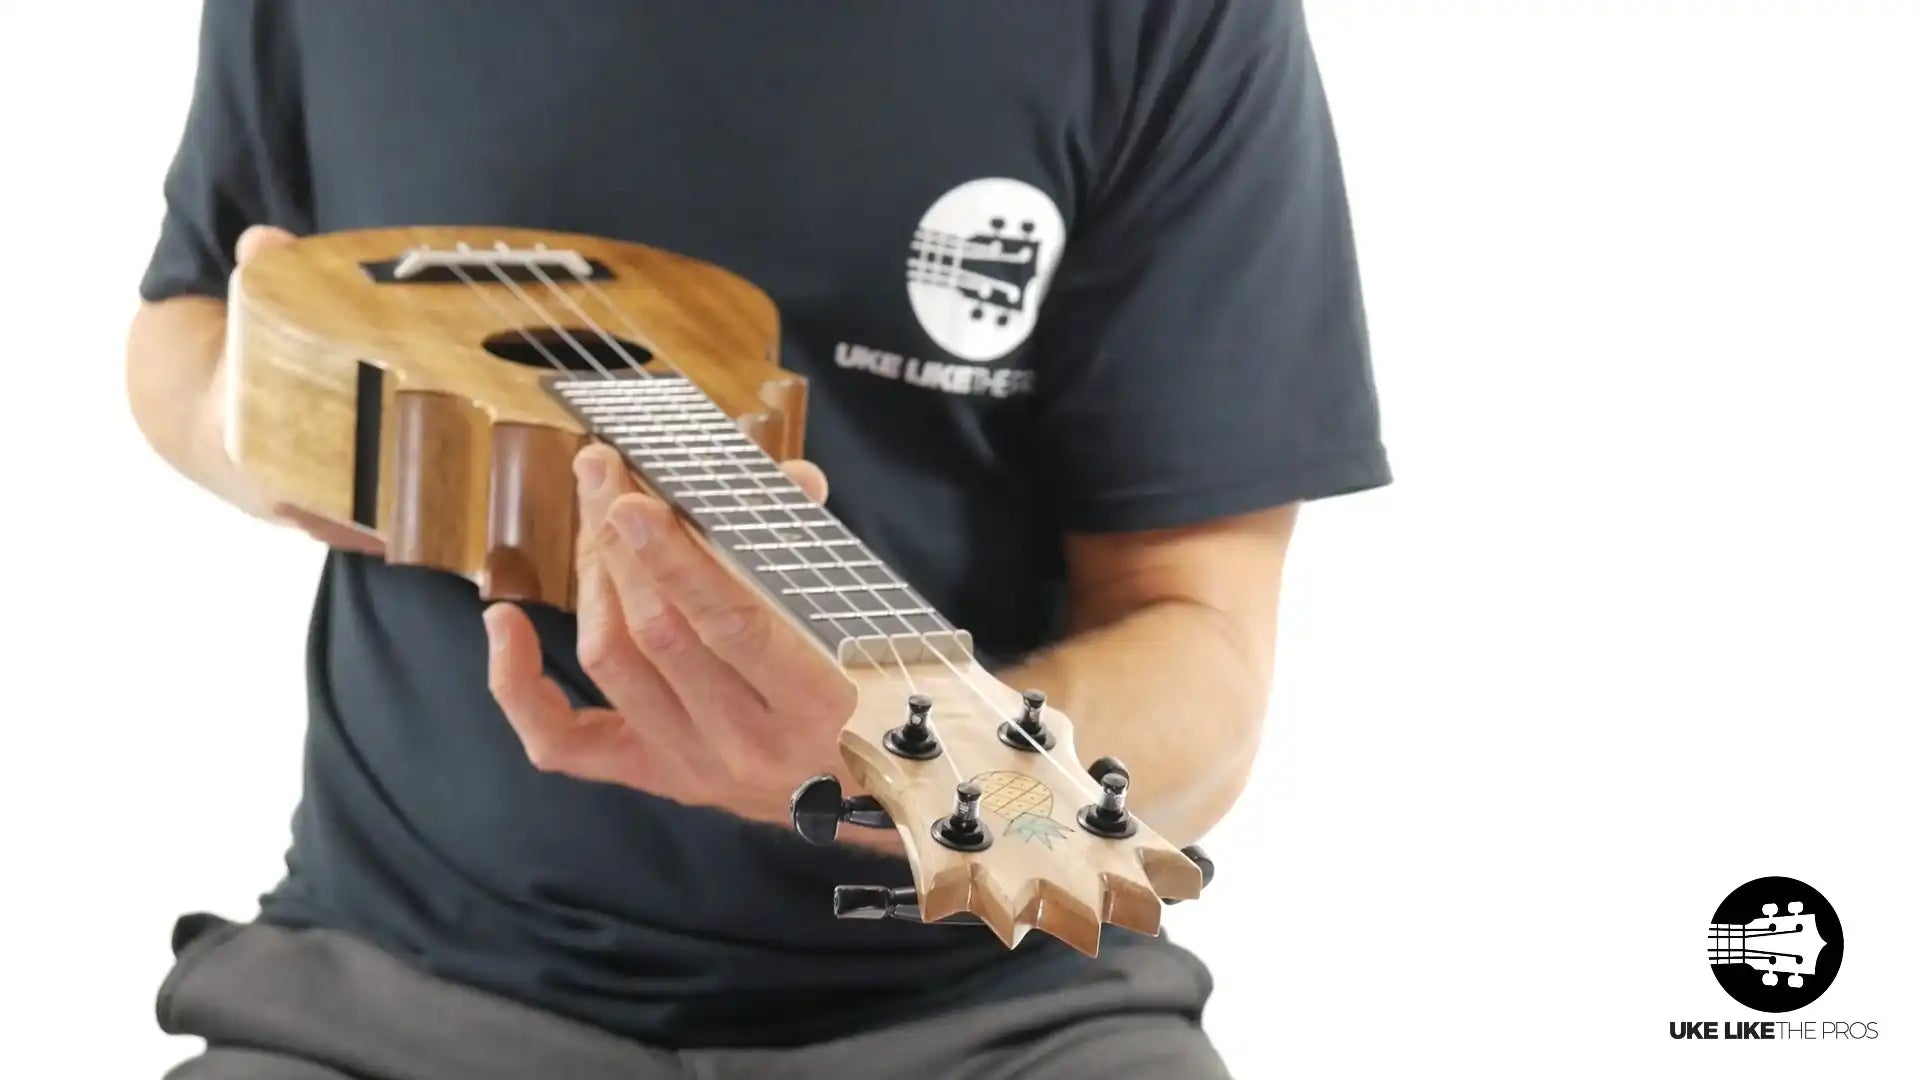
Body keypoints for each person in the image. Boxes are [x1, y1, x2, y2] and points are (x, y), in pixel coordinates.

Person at [127, 2, 1388, 1077]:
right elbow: (187, 311)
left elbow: (1205, 644)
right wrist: (284, 427)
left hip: (995, 1015)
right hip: (387, 994)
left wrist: (915, 767)